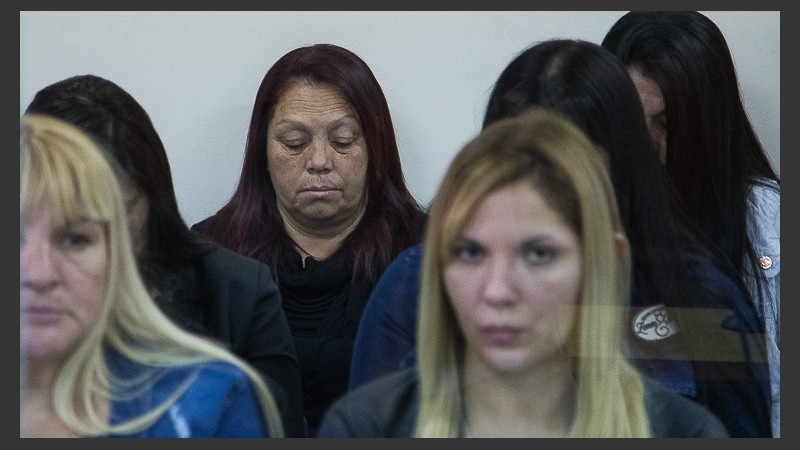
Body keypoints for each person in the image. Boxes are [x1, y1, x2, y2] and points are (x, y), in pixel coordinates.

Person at [348, 39, 771, 438]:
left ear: (619, 164)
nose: (537, 183)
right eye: (518, 159)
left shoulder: (702, 295)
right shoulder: (413, 283)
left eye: (566, 162)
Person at [24, 75, 305, 437]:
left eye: (77, 236)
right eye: (18, 231)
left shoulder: (235, 298)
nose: (38, 269)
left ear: (154, 202)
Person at [191, 43, 426, 434]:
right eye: (295, 143)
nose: (319, 161)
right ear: (262, 150)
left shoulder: (425, 255)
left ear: (376, 148)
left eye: (344, 140)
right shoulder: (210, 258)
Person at [601, 11, 780, 436]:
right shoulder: (581, 225)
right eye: (630, 123)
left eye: (667, 123)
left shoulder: (770, 222)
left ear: (706, 124)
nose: (648, 148)